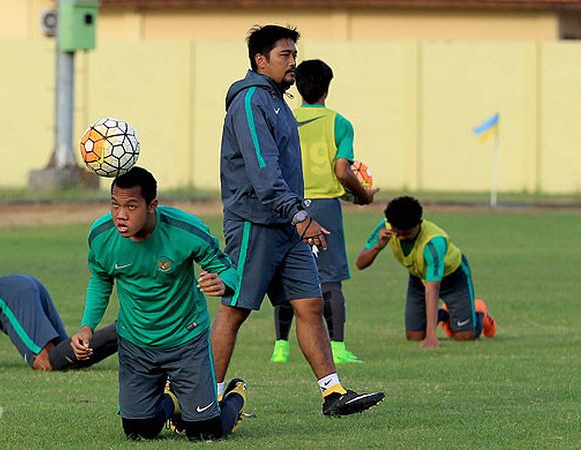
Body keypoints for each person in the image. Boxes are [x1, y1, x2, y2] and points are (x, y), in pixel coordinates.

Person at [213, 24, 384, 416]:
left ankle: (333, 393)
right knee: (235, 309)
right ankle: (209, 397)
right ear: (261, 60)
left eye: (294, 54)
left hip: (287, 225)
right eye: (285, 55)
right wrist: (299, 214)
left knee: (309, 304)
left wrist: (295, 216)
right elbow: (262, 170)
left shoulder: (276, 100)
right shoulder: (250, 101)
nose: (293, 61)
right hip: (256, 223)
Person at [70, 167, 248, 441]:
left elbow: (227, 269)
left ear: (152, 205)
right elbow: (101, 280)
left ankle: (234, 396)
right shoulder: (101, 235)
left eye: (131, 206)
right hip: (135, 342)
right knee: (139, 432)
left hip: (185, 339)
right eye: (115, 205)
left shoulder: (185, 230)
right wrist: (86, 327)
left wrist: (223, 283)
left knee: (204, 434)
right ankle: (173, 401)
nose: (120, 214)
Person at [271, 59, 379, 365]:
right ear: (327, 88)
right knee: (330, 280)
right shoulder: (339, 123)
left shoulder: (285, 119)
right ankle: (339, 348)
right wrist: (363, 196)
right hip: (324, 205)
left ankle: (281, 347)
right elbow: (343, 171)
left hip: (289, 204)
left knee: (287, 276)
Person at [356, 196, 497, 347]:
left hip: (453, 279)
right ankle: (444, 315)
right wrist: (378, 246)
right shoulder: (386, 227)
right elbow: (360, 264)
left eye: (406, 233)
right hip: (418, 277)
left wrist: (431, 336)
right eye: (397, 232)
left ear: (419, 224)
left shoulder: (433, 242)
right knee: (414, 336)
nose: (401, 237)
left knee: (464, 336)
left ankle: (480, 312)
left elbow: (432, 288)